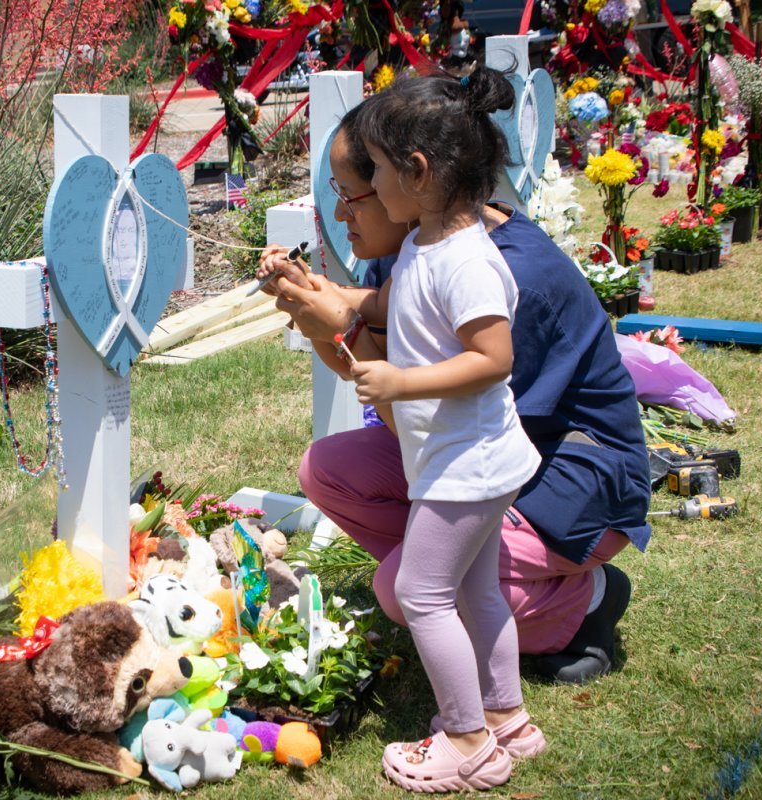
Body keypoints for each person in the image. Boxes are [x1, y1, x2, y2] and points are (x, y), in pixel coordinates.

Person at [258, 78, 651, 687]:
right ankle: (454, 582)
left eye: (354, 193)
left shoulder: (500, 275)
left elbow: (417, 408)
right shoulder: (418, 241)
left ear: (413, 178)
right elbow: (379, 320)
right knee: (327, 470)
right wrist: (316, 301)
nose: (340, 213)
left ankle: (582, 601)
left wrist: (340, 330)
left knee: (403, 591)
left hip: (569, 481)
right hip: (483, 458)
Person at [327, 69, 546, 791]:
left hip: (467, 465)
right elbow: (401, 304)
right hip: (459, 460)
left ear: (417, 173)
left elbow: (493, 359)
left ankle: (467, 742)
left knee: (424, 594)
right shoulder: (426, 241)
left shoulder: (471, 263)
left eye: (379, 170)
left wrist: (399, 382)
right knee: (477, 593)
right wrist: (332, 303)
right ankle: (508, 718)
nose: (370, 185)